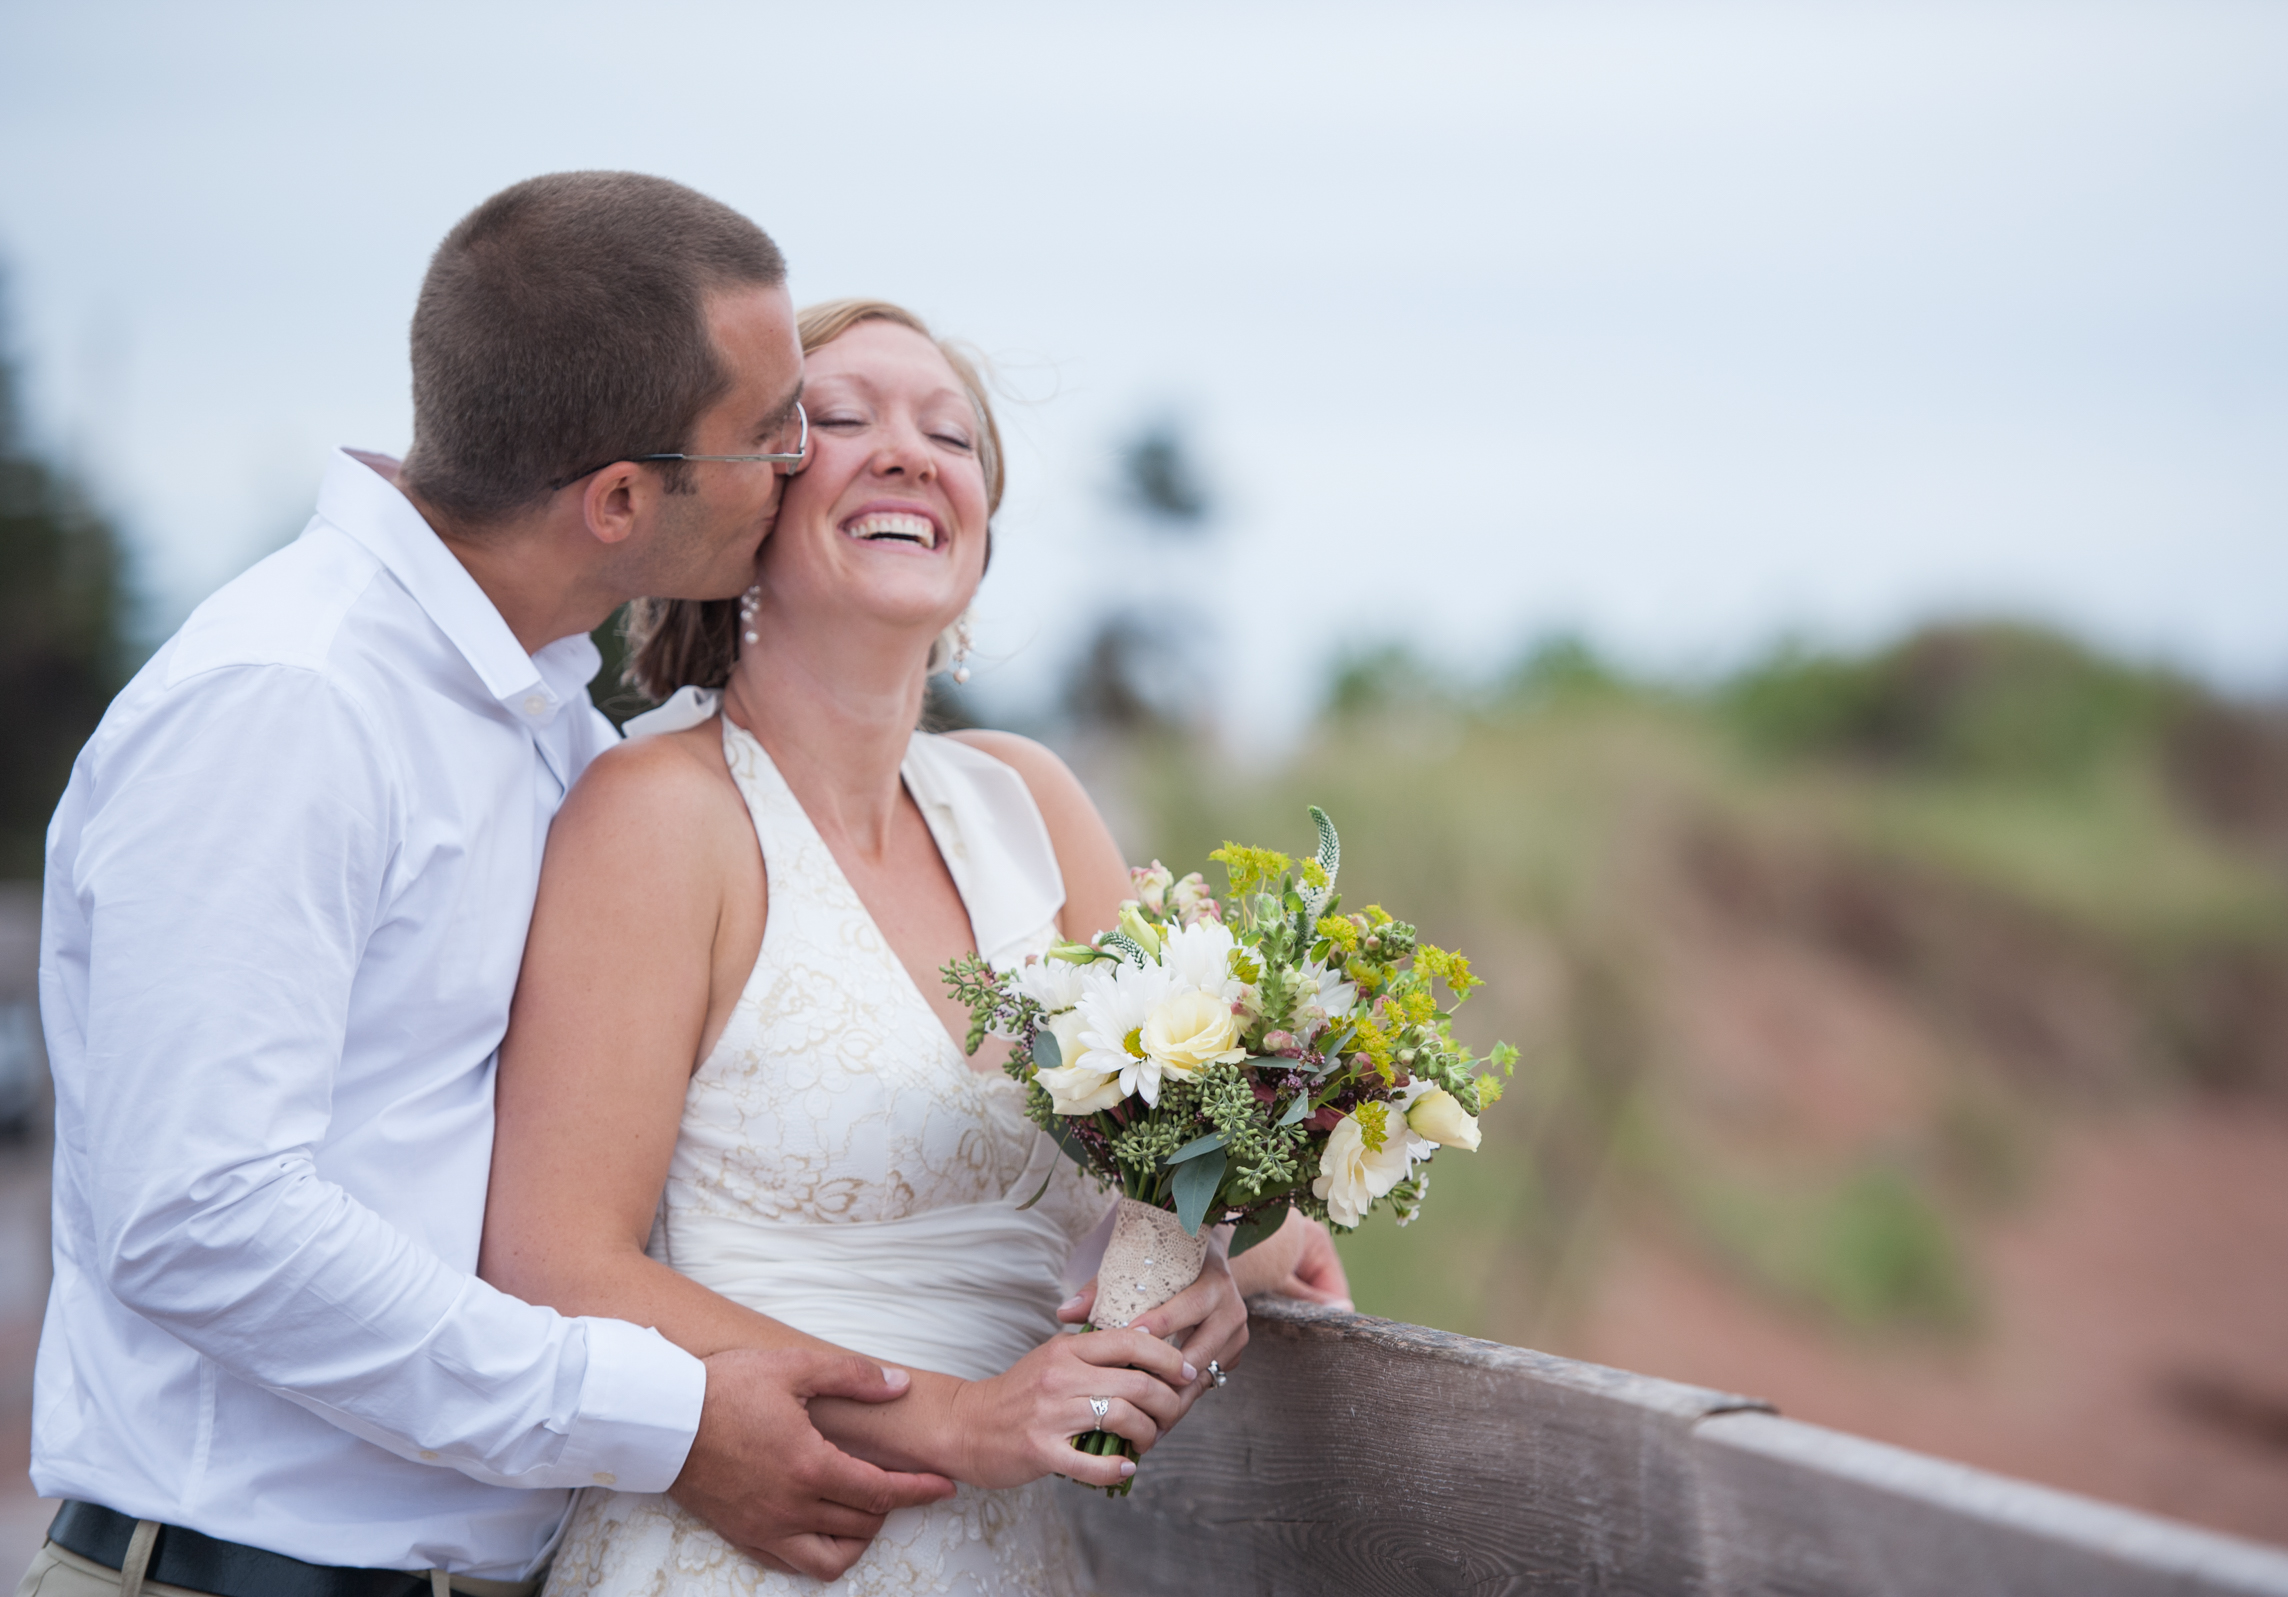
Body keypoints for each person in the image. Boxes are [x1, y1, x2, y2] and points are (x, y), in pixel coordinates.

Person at [24, 175, 958, 1597]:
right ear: (622, 498)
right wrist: (660, 1417)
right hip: (227, 1573)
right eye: (772, 430)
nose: (798, 457)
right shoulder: (291, 700)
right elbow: (202, 1215)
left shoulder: (559, 738)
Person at [479, 299, 1350, 1596]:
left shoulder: (1030, 805)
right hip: (752, 1556)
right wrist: (958, 1417)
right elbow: (552, 1263)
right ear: (744, 503)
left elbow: (1240, 1187)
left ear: (981, 529)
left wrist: (1225, 1267)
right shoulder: (659, 816)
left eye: (951, 434)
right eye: (837, 420)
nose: (908, 452)